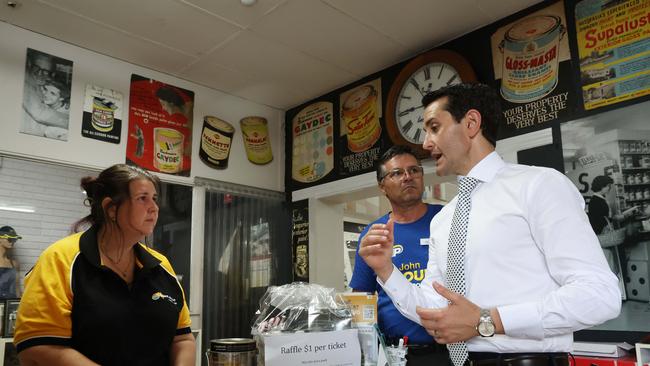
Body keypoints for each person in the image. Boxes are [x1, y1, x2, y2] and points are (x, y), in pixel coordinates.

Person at [359, 83, 621, 366]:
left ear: (471, 123)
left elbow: (599, 295)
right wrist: (385, 270)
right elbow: (434, 306)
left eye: (434, 128)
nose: (425, 143)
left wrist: (488, 320)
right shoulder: (444, 220)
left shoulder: (538, 185)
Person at [14, 164, 195, 365]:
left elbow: (183, 337)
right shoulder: (60, 259)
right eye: (142, 198)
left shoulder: (161, 266)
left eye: (154, 198)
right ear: (111, 208)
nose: (154, 207)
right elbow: (37, 346)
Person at [350, 145, 446, 365]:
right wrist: (363, 353)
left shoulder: (446, 219)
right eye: (397, 173)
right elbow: (361, 299)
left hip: (449, 349)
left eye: (414, 170)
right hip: (394, 354)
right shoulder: (373, 234)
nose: (408, 177)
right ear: (382, 186)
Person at [0, 226, 22, 299]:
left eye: (14, 239)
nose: (12, 242)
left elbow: (17, 287)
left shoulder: (15, 263)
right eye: (9, 239)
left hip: (11, 305)